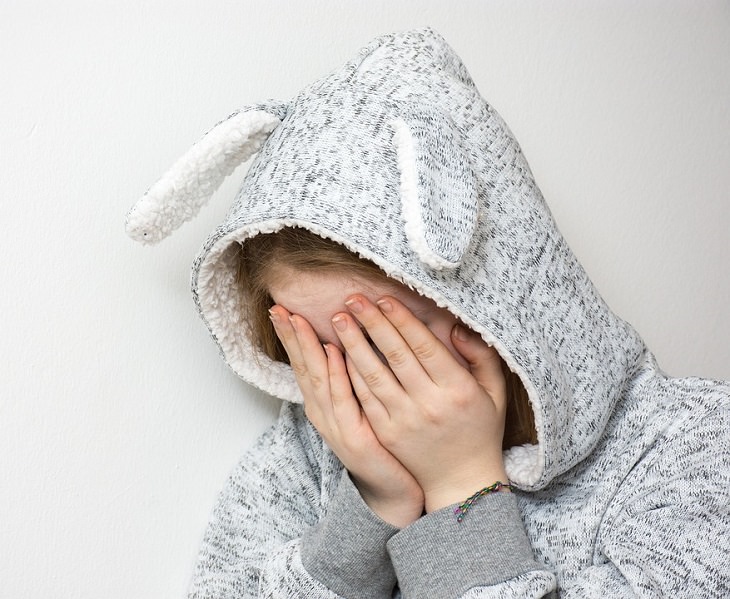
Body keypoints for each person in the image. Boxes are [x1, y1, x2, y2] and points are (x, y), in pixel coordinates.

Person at [126, 28, 730, 598]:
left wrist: (461, 489)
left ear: (497, 300)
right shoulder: (311, 454)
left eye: (388, 337)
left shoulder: (691, 450)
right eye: (320, 349)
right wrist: (372, 504)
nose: (365, 381)